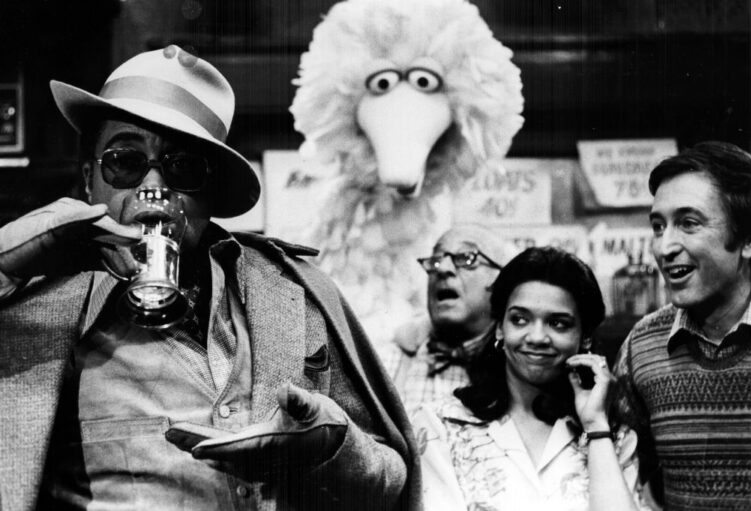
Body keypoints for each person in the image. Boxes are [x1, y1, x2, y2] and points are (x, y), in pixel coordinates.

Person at [0, 45, 419, 511]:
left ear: (212, 191)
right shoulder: (36, 302)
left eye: (182, 167)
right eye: (125, 161)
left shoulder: (294, 294)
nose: (151, 189)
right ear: (89, 179)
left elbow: (392, 484)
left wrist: (331, 449)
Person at [413, 247, 650, 510]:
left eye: (558, 323)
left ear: (585, 338)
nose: (537, 337)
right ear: (500, 328)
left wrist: (596, 426)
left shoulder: (615, 435)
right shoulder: (442, 426)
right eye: (520, 319)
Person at [613, 141, 751, 511]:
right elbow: (622, 473)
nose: (664, 247)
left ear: (750, 238)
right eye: (657, 226)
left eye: (688, 223)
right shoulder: (642, 345)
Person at [378, 224, 506, 415]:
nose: (443, 268)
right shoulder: (385, 363)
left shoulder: (519, 368)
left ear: (502, 280)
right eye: (436, 260)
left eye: (466, 258)